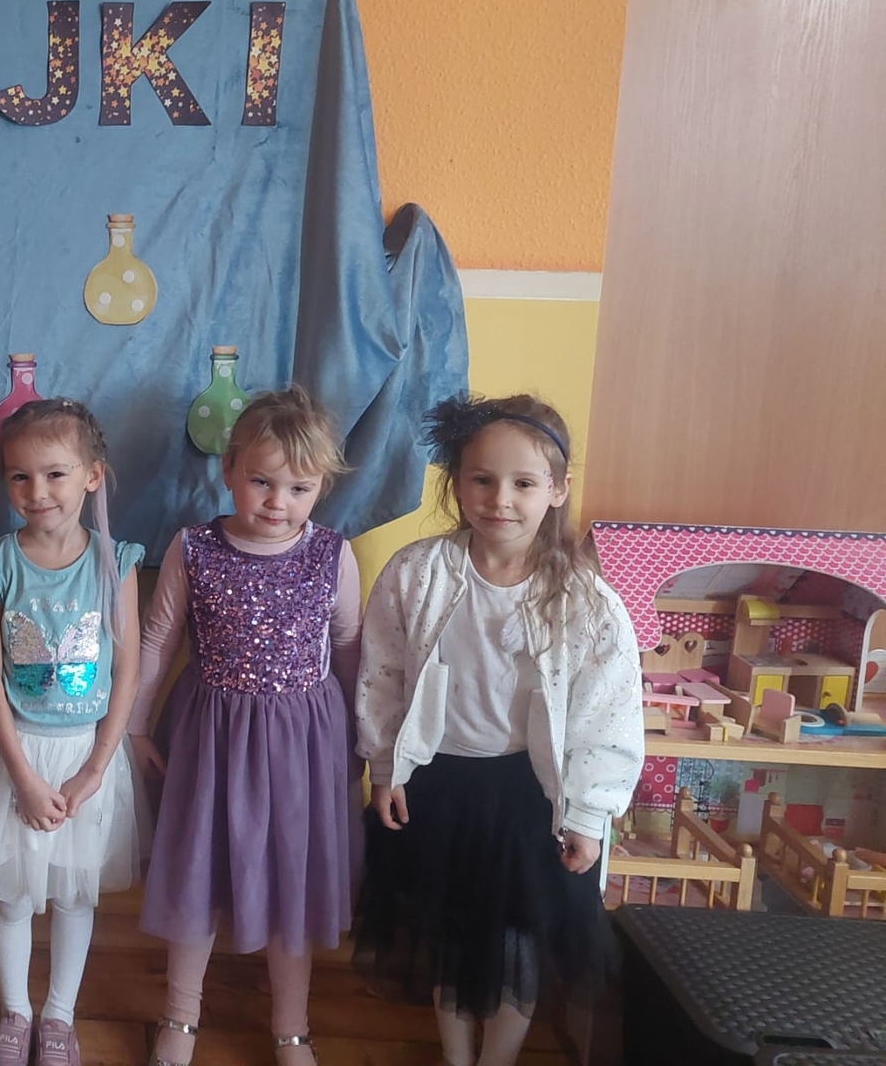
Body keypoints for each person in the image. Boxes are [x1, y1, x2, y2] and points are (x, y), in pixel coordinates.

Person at [352, 394, 645, 1066]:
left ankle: (498, 1059)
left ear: (557, 490)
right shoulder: (417, 574)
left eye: (523, 483)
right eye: (482, 479)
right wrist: (386, 767)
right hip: (438, 786)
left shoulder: (585, 600)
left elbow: (606, 714)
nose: (500, 500)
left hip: (530, 797)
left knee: (516, 942)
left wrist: (589, 813)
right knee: (449, 938)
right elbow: (383, 675)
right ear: (457, 483)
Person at [129, 387, 361, 1066]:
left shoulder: (333, 554)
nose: (276, 501)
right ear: (229, 469)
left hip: (303, 744)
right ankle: (181, 1014)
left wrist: (360, 740)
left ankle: (292, 1027)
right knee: (197, 873)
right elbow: (158, 639)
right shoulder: (194, 548)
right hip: (210, 737)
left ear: (320, 488)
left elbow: (349, 647)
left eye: (299, 488)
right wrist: (136, 727)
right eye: (261, 481)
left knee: (294, 880)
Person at [0, 399, 146, 1066]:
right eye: (20, 476)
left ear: (92, 476)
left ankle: (59, 1017)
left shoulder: (116, 562)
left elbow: (127, 668)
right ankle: (15, 1014)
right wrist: (21, 776)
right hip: (10, 753)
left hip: (86, 756)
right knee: (14, 894)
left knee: (75, 892)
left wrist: (95, 768)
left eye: (54, 474)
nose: (37, 491)